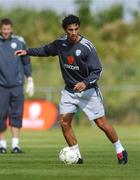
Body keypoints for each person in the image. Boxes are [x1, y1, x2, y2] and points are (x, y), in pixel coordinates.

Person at [15, 14, 128, 164]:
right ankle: (76, 156)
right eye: (70, 30)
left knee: (101, 123)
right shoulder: (60, 44)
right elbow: (46, 50)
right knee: (64, 122)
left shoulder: (87, 47)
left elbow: (97, 71)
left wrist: (85, 83)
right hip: (69, 91)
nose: (74, 32)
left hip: (89, 92)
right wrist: (27, 51)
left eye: (76, 29)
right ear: (65, 30)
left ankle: (120, 150)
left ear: (79, 29)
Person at [0, 18, 34, 153]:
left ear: (11, 29)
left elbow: (26, 62)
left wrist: (30, 78)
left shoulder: (19, 42)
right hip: (1, 86)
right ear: (1, 29)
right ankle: (1, 145)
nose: (6, 31)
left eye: (8, 29)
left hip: (17, 85)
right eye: (4, 29)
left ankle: (15, 145)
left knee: (16, 114)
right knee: (0, 115)